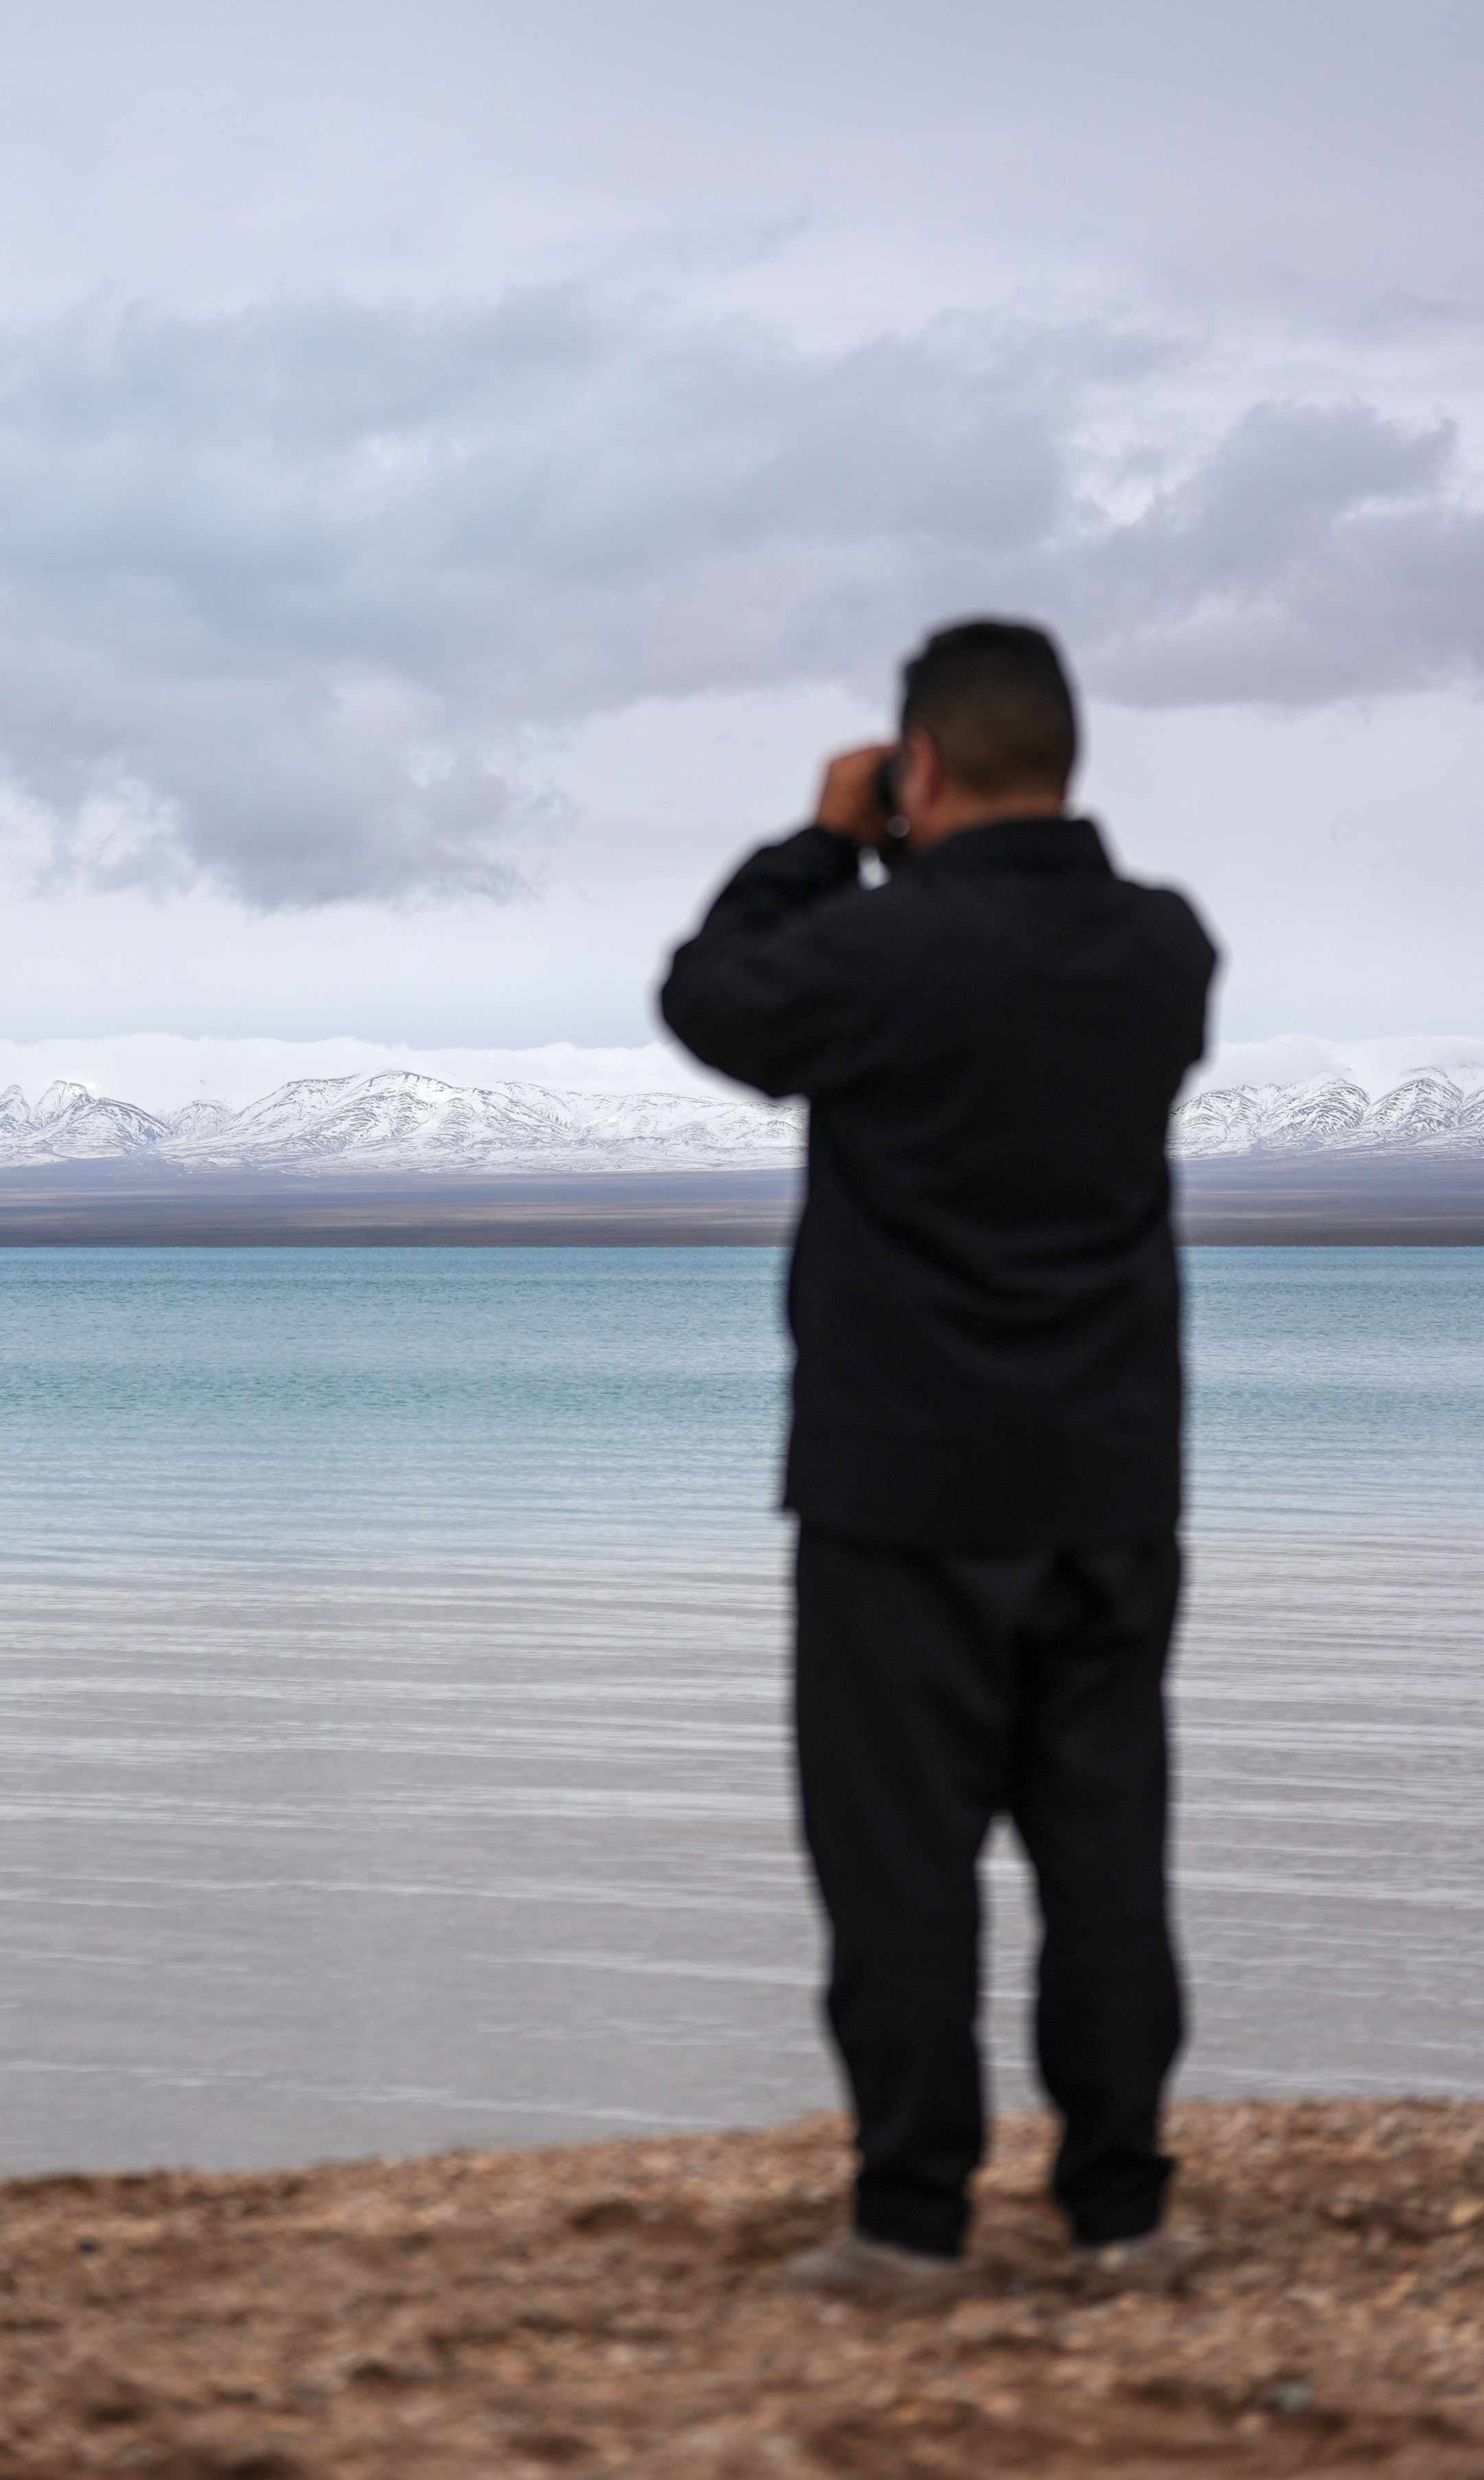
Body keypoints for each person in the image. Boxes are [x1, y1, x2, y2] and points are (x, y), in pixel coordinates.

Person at [659, 617, 1217, 2299]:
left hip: (899, 1493)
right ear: (1064, 757)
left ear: (916, 766)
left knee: (901, 1875)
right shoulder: (1160, 948)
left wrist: (819, 848)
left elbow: (707, 1000)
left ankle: (910, 2220)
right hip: (1108, 1484)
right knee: (1105, 1857)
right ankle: (1120, 2209)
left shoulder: (875, 954)